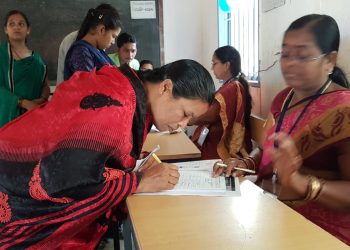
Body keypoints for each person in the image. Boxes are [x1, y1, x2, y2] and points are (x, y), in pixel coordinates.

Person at [0, 59, 215, 249]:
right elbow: (74, 179)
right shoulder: (117, 104)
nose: (182, 125)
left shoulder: (126, 87)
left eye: (190, 121)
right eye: (185, 114)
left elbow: (100, 153)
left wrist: (136, 164)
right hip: (12, 181)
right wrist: (137, 182)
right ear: (166, 87)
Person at [213, 14, 350, 245]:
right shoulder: (282, 99)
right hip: (276, 213)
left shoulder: (344, 110)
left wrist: (300, 182)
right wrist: (247, 163)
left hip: (325, 234)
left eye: (303, 55)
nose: (290, 63)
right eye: (285, 54)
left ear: (330, 60)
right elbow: (269, 150)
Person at [189, 45, 252, 160]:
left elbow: (210, 116)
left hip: (220, 147)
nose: (212, 68)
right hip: (212, 140)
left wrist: (189, 120)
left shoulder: (233, 87)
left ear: (226, 65)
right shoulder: (229, 85)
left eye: (214, 63)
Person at [0, 10, 49, 128]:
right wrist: (23, 103)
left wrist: (42, 99)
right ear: (6, 29)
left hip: (32, 119)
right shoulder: (1, 55)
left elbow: (45, 85)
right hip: (7, 119)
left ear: (28, 30)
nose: (16, 27)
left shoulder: (37, 60)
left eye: (21, 24)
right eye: (12, 24)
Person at [64, 4, 121, 80]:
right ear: (102, 30)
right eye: (113, 36)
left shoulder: (98, 51)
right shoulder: (81, 52)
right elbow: (89, 87)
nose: (113, 42)